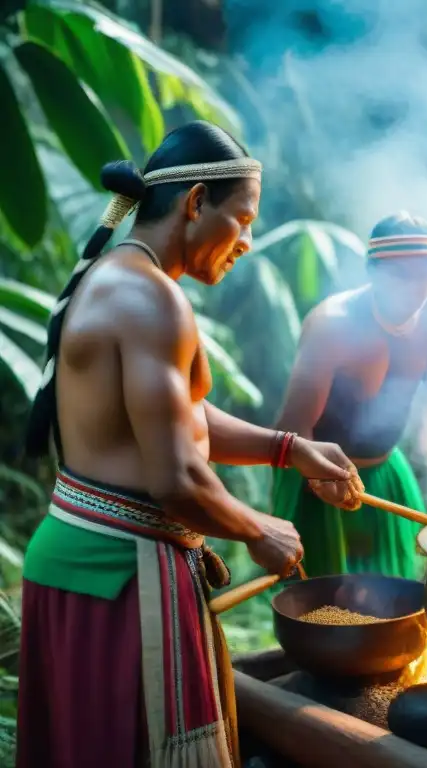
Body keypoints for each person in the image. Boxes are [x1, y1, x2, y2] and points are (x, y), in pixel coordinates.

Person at [17, 121, 363, 768]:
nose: (249, 242)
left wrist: (289, 448)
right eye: (243, 220)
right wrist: (260, 528)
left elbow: (185, 418)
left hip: (88, 566)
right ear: (196, 202)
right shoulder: (150, 299)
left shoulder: (133, 280)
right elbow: (177, 475)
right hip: (117, 581)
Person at [273, 212, 427, 580]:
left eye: (426, 274)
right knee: (328, 604)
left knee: (397, 591)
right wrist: (323, 483)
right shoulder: (333, 325)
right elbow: (292, 426)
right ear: (372, 271)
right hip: (318, 474)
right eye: (401, 276)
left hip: (386, 469)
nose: (416, 288)